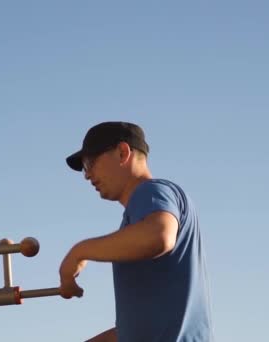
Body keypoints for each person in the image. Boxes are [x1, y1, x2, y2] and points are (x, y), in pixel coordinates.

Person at [59, 121, 214, 341]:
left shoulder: (151, 191)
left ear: (123, 152)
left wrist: (79, 251)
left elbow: (159, 236)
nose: (86, 175)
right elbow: (136, 330)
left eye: (90, 163)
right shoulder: (135, 223)